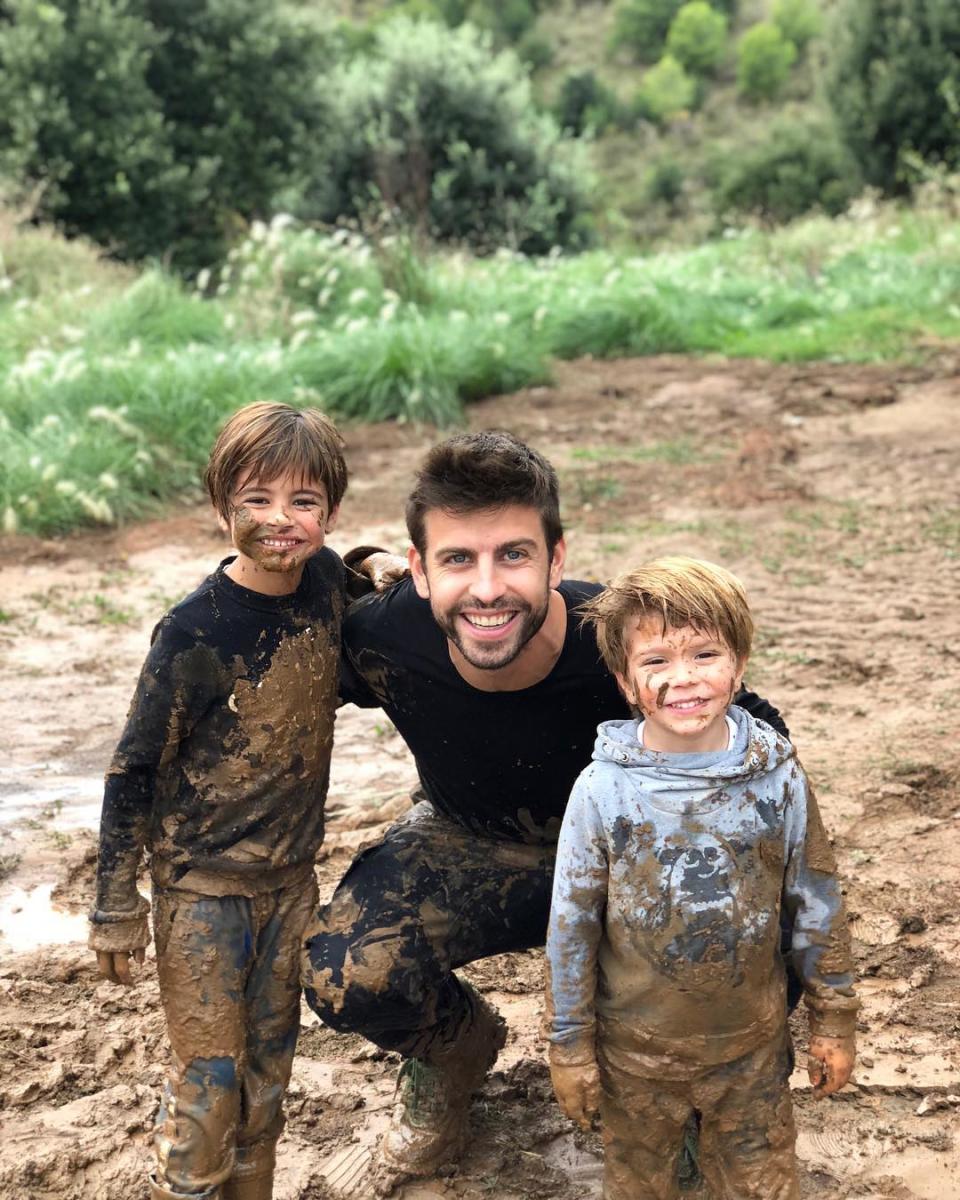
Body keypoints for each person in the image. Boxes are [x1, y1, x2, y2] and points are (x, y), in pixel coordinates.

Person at [302, 431, 790, 1192]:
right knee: (346, 972)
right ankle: (456, 1054)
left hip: (628, 865)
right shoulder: (382, 636)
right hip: (467, 841)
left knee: (749, 927)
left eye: (514, 556)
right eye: (458, 559)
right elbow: (271, 665)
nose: (488, 588)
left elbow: (762, 738)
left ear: (556, 562)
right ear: (421, 568)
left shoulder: (620, 641)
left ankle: (684, 1097)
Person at [88, 401, 349, 1200]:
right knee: (210, 1082)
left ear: (329, 512)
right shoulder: (193, 632)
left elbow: (361, 579)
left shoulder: (331, 583)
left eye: (304, 502)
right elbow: (133, 769)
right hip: (202, 894)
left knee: (269, 1078)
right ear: (221, 506)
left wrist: (376, 561)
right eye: (257, 500)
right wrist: (114, 905)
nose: (281, 520)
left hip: (289, 885)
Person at [546, 556, 858, 1200]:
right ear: (626, 681)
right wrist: (570, 1048)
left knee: (762, 1184)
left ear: (739, 665)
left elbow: (817, 902)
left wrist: (834, 1021)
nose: (683, 678)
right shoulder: (603, 789)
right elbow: (571, 926)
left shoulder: (780, 778)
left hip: (751, 1053)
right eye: (656, 660)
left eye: (705, 654)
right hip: (634, 1059)